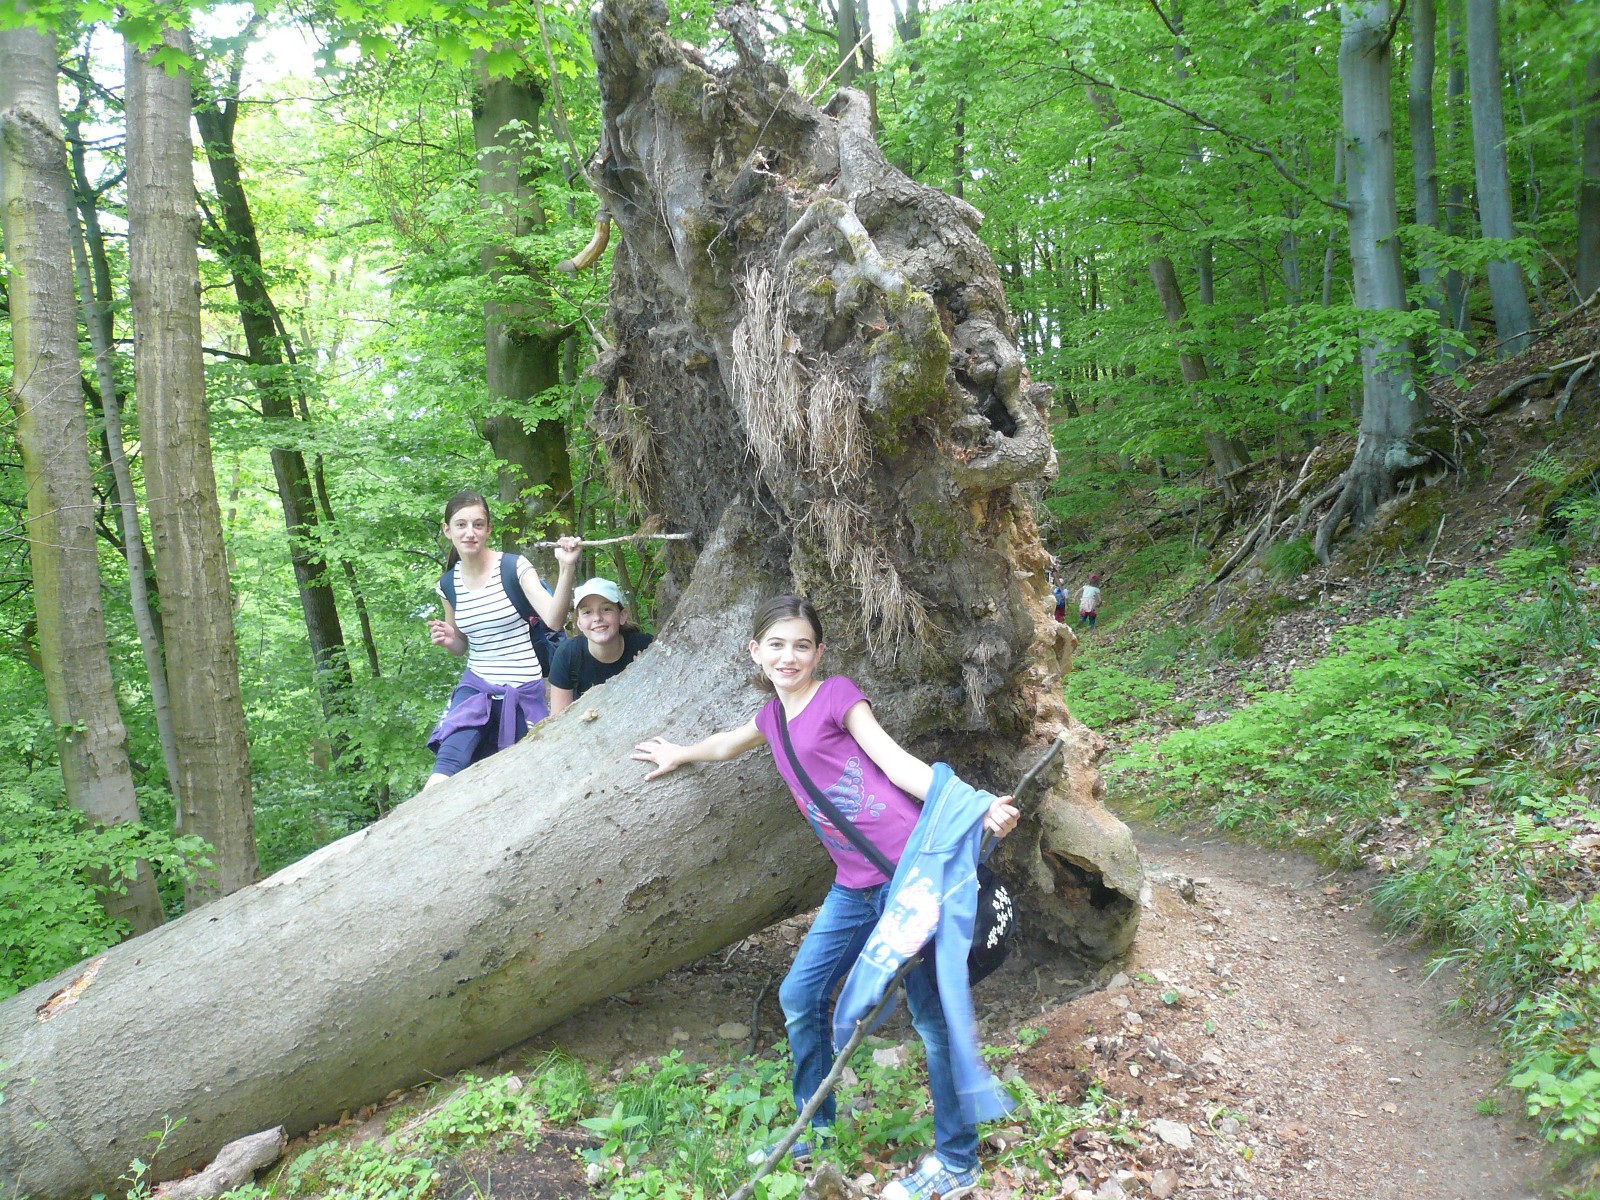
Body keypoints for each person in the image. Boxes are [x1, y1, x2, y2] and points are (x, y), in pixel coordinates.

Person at [632, 595, 1019, 1200]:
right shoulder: (770, 718)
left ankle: (957, 1161)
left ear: (818, 653)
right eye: (776, 645)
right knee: (800, 994)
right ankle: (815, 1130)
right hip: (853, 887)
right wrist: (679, 752)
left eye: (802, 645)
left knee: (931, 1020)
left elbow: (897, 766)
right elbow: (727, 745)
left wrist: (976, 806)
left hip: (909, 878)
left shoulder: (838, 696)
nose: (789, 656)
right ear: (755, 651)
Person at [424, 490, 581, 789]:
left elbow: (554, 620)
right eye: (461, 525)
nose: (470, 533)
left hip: (523, 693)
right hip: (475, 689)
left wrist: (566, 567)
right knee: (447, 763)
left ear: (488, 529)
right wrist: (449, 640)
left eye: (478, 524)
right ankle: (421, 816)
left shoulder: (514, 567)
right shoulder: (447, 585)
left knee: (521, 780)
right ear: (447, 530)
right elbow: (461, 646)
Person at [547, 577, 653, 716]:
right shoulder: (567, 656)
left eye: (606, 609)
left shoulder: (646, 647)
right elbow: (558, 720)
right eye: (587, 612)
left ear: (622, 616)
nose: (597, 617)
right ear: (579, 623)